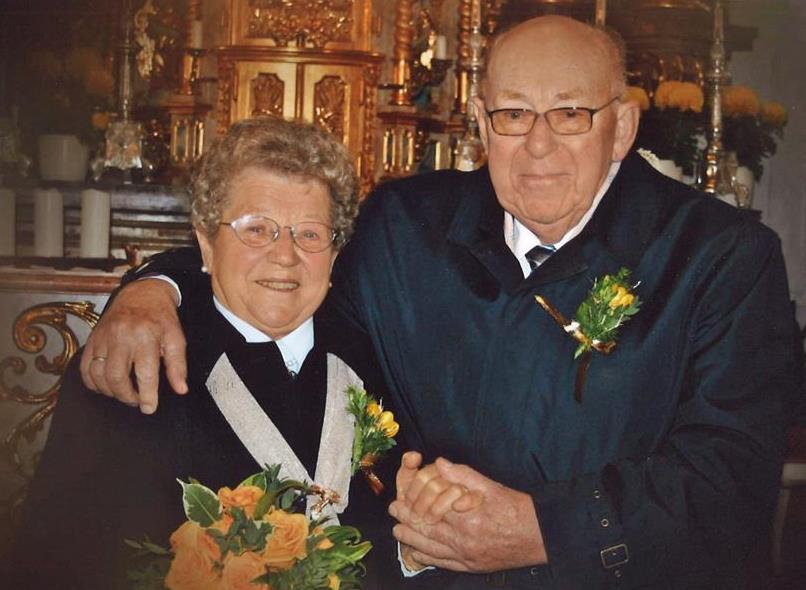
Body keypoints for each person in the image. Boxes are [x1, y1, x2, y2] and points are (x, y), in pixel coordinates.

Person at [78, 15, 800, 589]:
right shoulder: (407, 226)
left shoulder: (721, 257)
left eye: (570, 114)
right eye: (513, 114)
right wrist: (156, 286)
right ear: (481, 125)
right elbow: (286, 267)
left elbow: (730, 477)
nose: (538, 145)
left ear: (623, 127)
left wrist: (542, 529)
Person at [9, 117, 403, 589]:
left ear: (335, 254)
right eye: (257, 229)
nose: (285, 255)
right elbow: (56, 563)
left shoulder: (379, 363)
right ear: (206, 244)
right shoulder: (129, 366)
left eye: (310, 234)